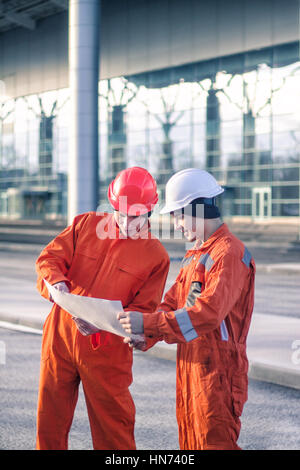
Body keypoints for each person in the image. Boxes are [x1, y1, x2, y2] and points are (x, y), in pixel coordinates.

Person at [118, 168, 256, 450]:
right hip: (193, 364)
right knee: (192, 443)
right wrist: (146, 334)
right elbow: (172, 303)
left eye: (178, 215)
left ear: (198, 209)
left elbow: (209, 313)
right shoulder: (196, 255)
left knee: (214, 443)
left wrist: (149, 326)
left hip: (218, 372)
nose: (176, 224)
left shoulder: (229, 252)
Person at [35, 166, 170, 450]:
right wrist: (57, 283)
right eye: (121, 214)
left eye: (135, 217)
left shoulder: (156, 257)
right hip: (60, 337)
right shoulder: (85, 225)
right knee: (49, 423)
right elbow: (49, 259)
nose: (126, 222)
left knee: (114, 432)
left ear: (149, 212)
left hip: (107, 349)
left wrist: (107, 324)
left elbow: (144, 310)